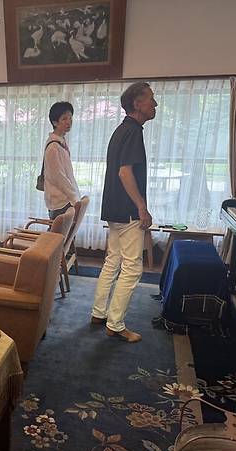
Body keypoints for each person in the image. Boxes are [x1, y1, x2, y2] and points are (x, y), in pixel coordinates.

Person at [91, 82, 157, 343]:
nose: (155, 104)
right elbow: (125, 173)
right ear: (137, 104)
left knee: (113, 261)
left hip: (113, 207)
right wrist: (142, 207)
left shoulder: (121, 130)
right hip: (128, 210)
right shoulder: (133, 132)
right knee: (132, 268)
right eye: (151, 99)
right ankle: (116, 324)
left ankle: (99, 313)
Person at [44, 101, 80, 220]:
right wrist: (74, 197)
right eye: (64, 119)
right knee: (59, 232)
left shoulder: (61, 142)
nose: (69, 122)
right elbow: (58, 177)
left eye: (70, 118)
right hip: (60, 201)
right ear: (55, 122)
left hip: (66, 199)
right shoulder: (53, 147)